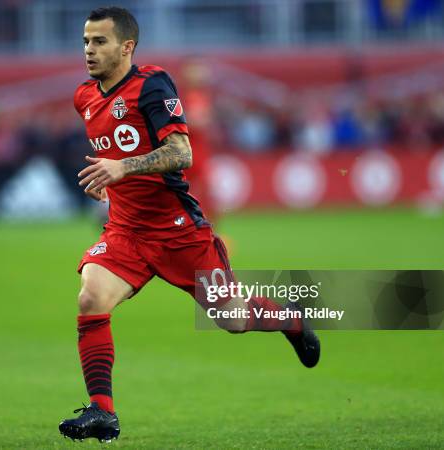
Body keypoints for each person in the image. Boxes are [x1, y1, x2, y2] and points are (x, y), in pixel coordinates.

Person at [59, 7, 320, 443]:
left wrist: (122, 169)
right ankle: (103, 411)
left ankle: (291, 321)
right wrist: (107, 182)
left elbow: (182, 153)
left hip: (179, 231)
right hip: (126, 231)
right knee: (91, 298)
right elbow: (116, 157)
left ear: (126, 47)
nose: (89, 49)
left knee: (232, 319)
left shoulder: (152, 85)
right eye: (86, 41)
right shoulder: (84, 96)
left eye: (99, 41)